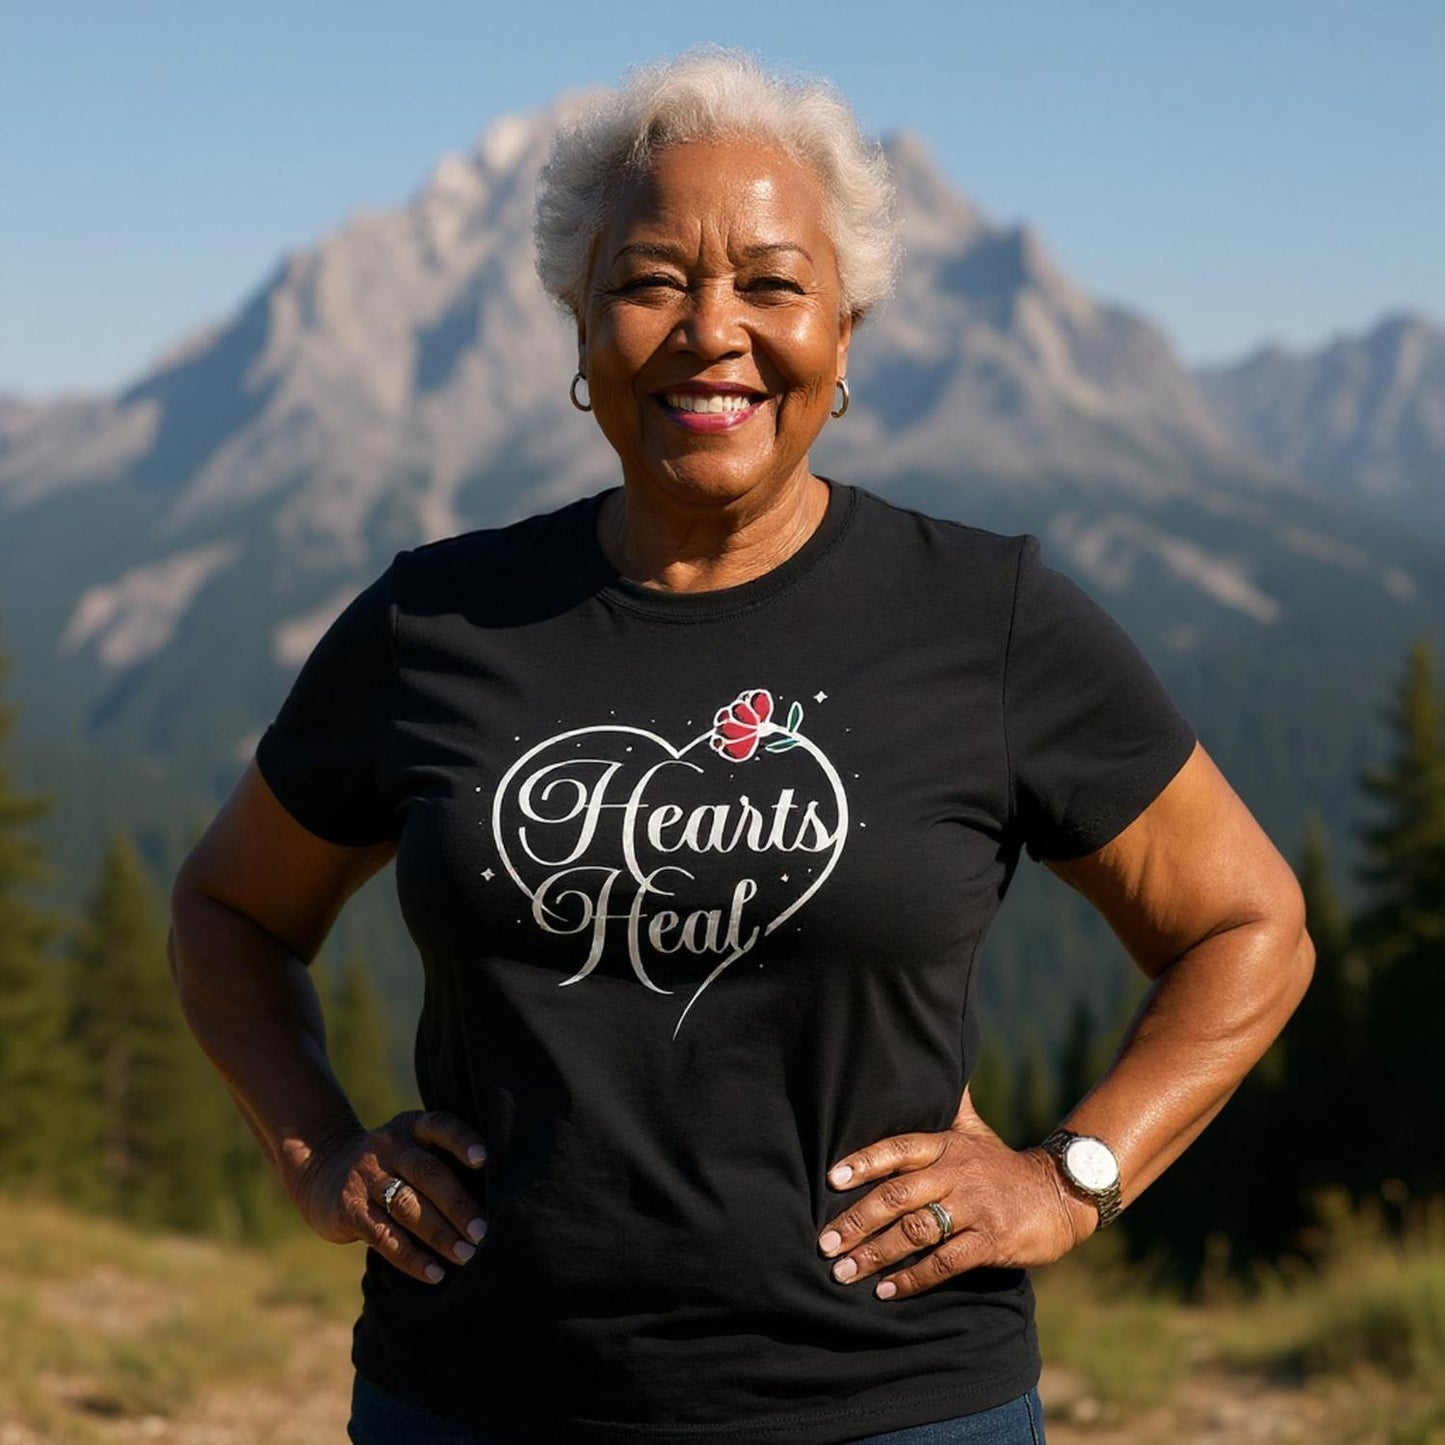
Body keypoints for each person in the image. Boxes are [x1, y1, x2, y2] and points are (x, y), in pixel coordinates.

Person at [168, 48, 1314, 1445]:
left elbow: (1248, 921)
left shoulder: (987, 616)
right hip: (475, 1397)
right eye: (651, 281)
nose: (713, 330)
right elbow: (228, 908)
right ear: (581, 330)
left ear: (844, 330)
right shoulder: (435, 617)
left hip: (889, 1408)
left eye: (771, 282)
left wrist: (1072, 1174)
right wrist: (317, 1151)